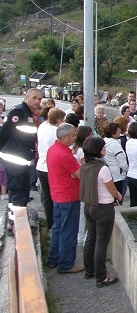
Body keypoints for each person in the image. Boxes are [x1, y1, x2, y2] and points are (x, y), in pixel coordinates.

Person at [80, 136, 121, 287]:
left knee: (91, 237)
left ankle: (89, 269)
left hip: (89, 206)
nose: (105, 149)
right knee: (102, 242)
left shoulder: (85, 164)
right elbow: (112, 190)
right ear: (98, 150)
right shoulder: (102, 168)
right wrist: (117, 195)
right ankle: (101, 277)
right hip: (103, 208)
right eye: (103, 147)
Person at [0, 88, 41, 235]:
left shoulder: (28, 113)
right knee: (19, 194)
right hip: (15, 160)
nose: (37, 101)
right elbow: (4, 132)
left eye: (39, 99)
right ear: (27, 97)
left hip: (21, 159)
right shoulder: (18, 112)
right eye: (34, 98)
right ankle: (15, 226)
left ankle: (14, 224)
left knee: (19, 193)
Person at [47, 123, 84, 273]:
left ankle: (53, 259)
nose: (75, 137)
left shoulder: (53, 149)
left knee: (58, 228)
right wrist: (76, 172)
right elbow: (80, 174)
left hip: (57, 194)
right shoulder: (64, 154)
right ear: (64, 137)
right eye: (73, 135)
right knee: (68, 230)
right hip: (68, 196)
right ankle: (66, 263)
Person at [37, 107, 66, 230]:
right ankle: (56, 224)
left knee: (47, 197)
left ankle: (49, 224)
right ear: (59, 120)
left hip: (41, 165)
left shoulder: (42, 128)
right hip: (51, 168)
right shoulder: (56, 132)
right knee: (56, 197)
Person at [103, 122, 128, 204]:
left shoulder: (104, 141)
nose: (120, 131)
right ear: (113, 132)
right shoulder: (115, 145)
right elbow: (122, 162)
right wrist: (127, 170)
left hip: (109, 173)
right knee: (118, 199)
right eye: (118, 130)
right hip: (118, 176)